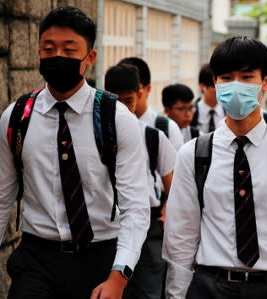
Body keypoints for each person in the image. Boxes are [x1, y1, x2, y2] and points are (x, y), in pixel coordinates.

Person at [0, 7, 150, 299]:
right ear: (39, 52)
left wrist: (119, 275)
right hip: (37, 260)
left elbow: (136, 207)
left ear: (89, 58)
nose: (57, 57)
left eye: (69, 49)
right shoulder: (17, 117)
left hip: (101, 259)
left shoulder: (115, 118)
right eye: (49, 48)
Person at [163, 36, 267, 299]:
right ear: (215, 83)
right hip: (209, 288)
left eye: (247, 76)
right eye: (227, 78)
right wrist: (176, 295)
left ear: (265, 82)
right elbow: (180, 239)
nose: (236, 86)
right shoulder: (193, 155)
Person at [105, 63, 176, 299]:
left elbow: (173, 187)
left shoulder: (153, 136)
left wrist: (167, 213)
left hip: (148, 230)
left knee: (147, 293)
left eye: (129, 101)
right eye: (117, 101)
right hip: (106, 232)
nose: (123, 108)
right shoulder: (94, 135)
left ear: (140, 95)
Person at [118, 57, 183, 151]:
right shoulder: (108, 127)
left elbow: (175, 165)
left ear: (147, 89)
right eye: (119, 94)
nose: (125, 97)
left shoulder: (167, 128)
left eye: (134, 90)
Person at [190, 63, 225, 133]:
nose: (221, 91)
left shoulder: (230, 113)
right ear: (202, 87)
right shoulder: (191, 114)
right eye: (216, 87)